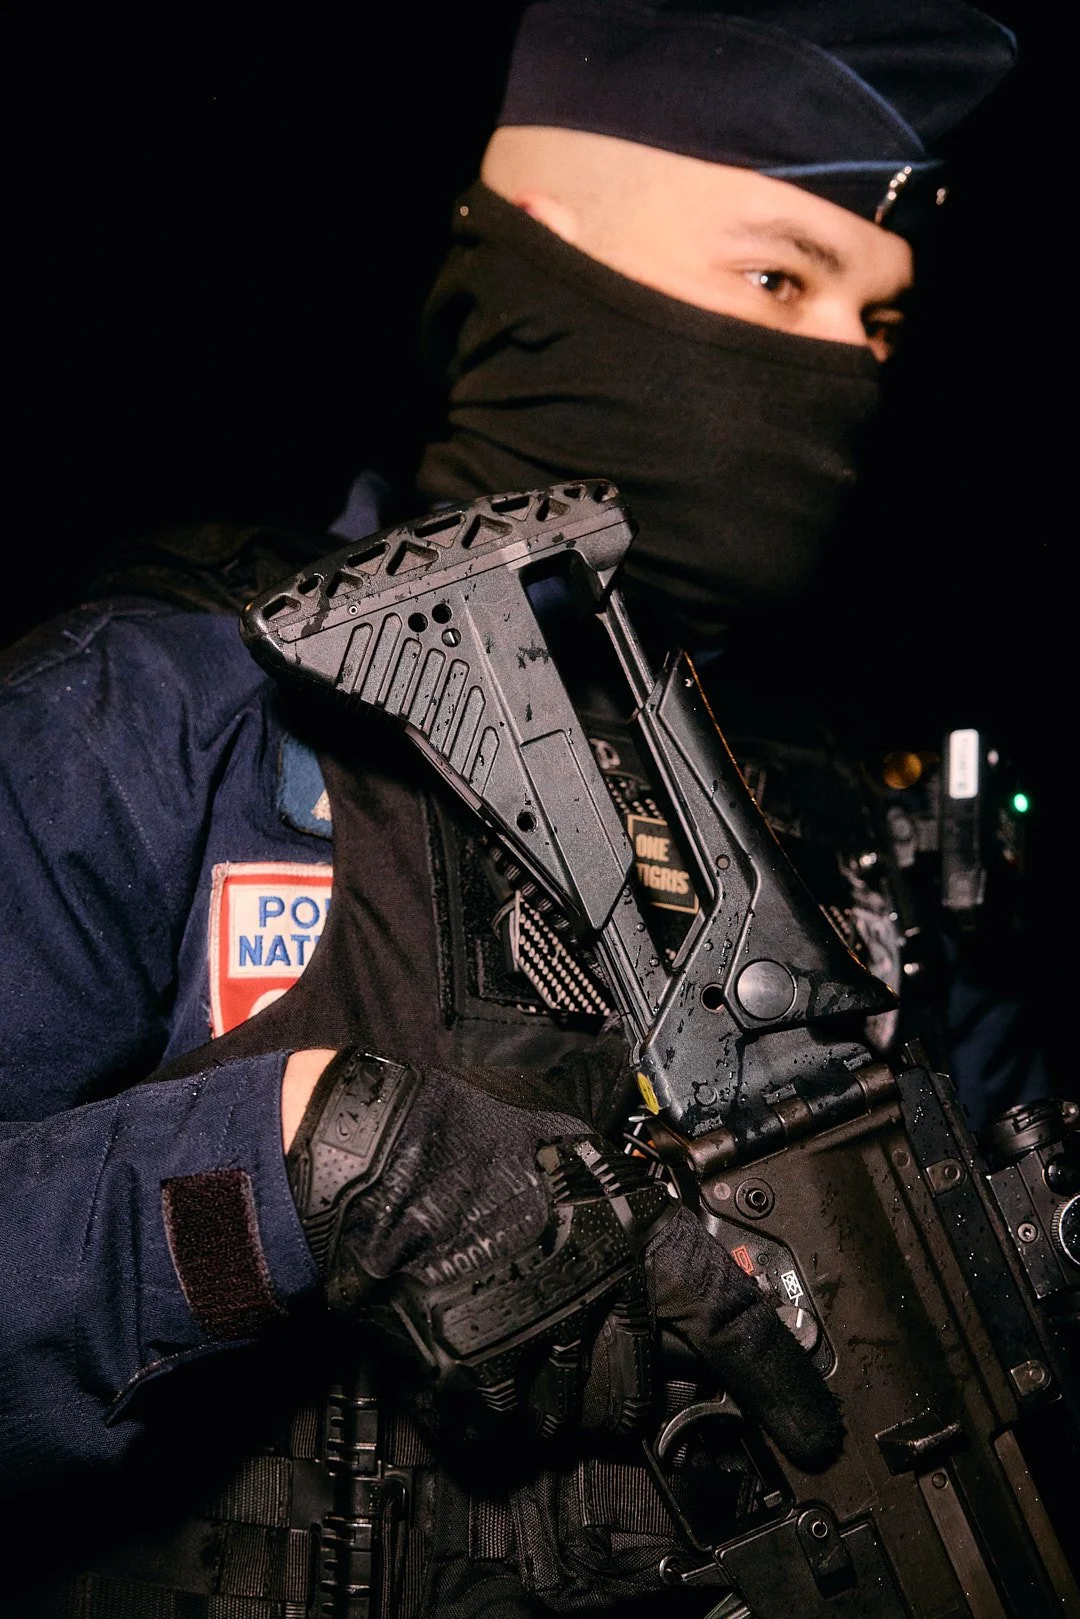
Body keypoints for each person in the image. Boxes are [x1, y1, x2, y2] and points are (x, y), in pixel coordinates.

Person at [0, 4, 1019, 1615]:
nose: (834, 364)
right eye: (774, 279)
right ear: (541, 248)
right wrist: (299, 1164)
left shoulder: (836, 812)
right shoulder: (175, 716)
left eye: (880, 322)